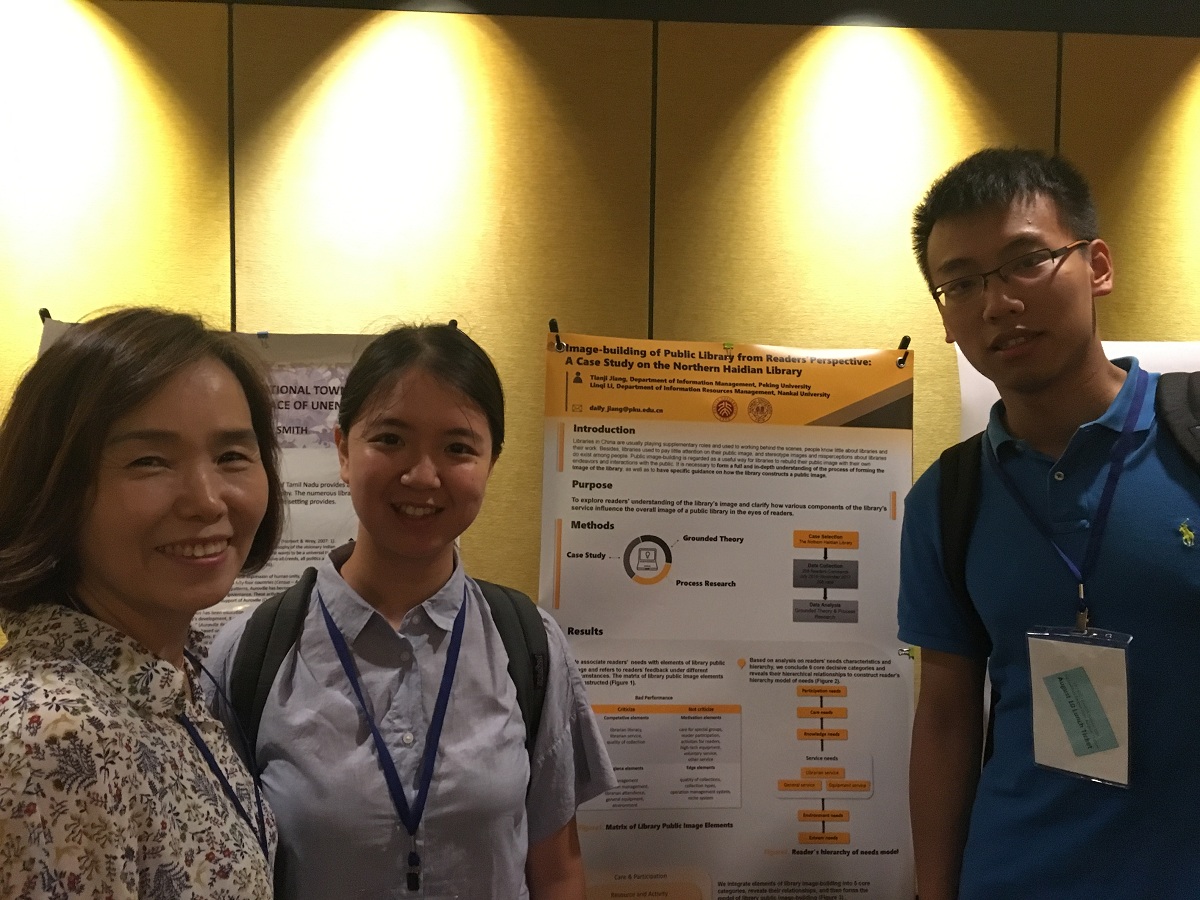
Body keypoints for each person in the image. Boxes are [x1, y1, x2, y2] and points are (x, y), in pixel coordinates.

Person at [206, 323, 616, 899]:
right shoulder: (249, 652)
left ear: (491, 461)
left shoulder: (530, 643)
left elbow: (557, 871)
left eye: (458, 448)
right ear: (343, 450)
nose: (423, 475)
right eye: (391, 439)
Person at [898, 146, 1200, 899]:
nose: (997, 303)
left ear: (1097, 266)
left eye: (1027, 261)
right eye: (961, 283)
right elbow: (945, 720)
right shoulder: (948, 498)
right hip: (1015, 873)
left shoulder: (1191, 436)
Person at [0, 307, 285, 898]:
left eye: (232, 456)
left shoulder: (164, 680)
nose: (207, 500)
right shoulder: (56, 737)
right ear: (54, 486)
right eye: (149, 461)